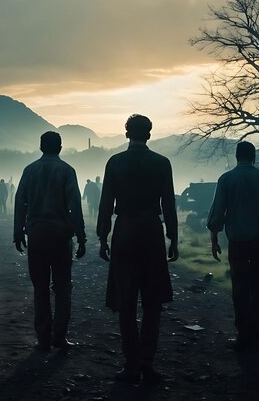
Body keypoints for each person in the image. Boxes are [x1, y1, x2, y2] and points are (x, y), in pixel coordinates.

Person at [97, 114, 178, 383]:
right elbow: (168, 204)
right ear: (150, 134)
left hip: (125, 231)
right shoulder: (161, 163)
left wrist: (102, 237)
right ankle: (147, 361)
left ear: (126, 133)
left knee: (126, 301)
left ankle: (131, 363)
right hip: (152, 232)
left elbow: (106, 203)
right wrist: (173, 238)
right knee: (152, 302)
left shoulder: (116, 163)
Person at [207, 141, 259, 352]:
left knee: (240, 289)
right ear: (254, 157)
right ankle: (256, 335)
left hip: (238, 244)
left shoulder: (226, 179)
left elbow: (217, 214)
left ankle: (243, 336)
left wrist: (214, 237)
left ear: (236, 156)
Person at [14, 131, 86, 351]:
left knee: (40, 287)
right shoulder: (66, 170)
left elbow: (20, 202)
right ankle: (60, 336)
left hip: (36, 235)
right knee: (63, 287)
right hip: (61, 236)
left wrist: (18, 232)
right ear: (60, 147)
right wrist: (81, 237)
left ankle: (43, 337)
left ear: (40, 146)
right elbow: (75, 205)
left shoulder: (30, 170)